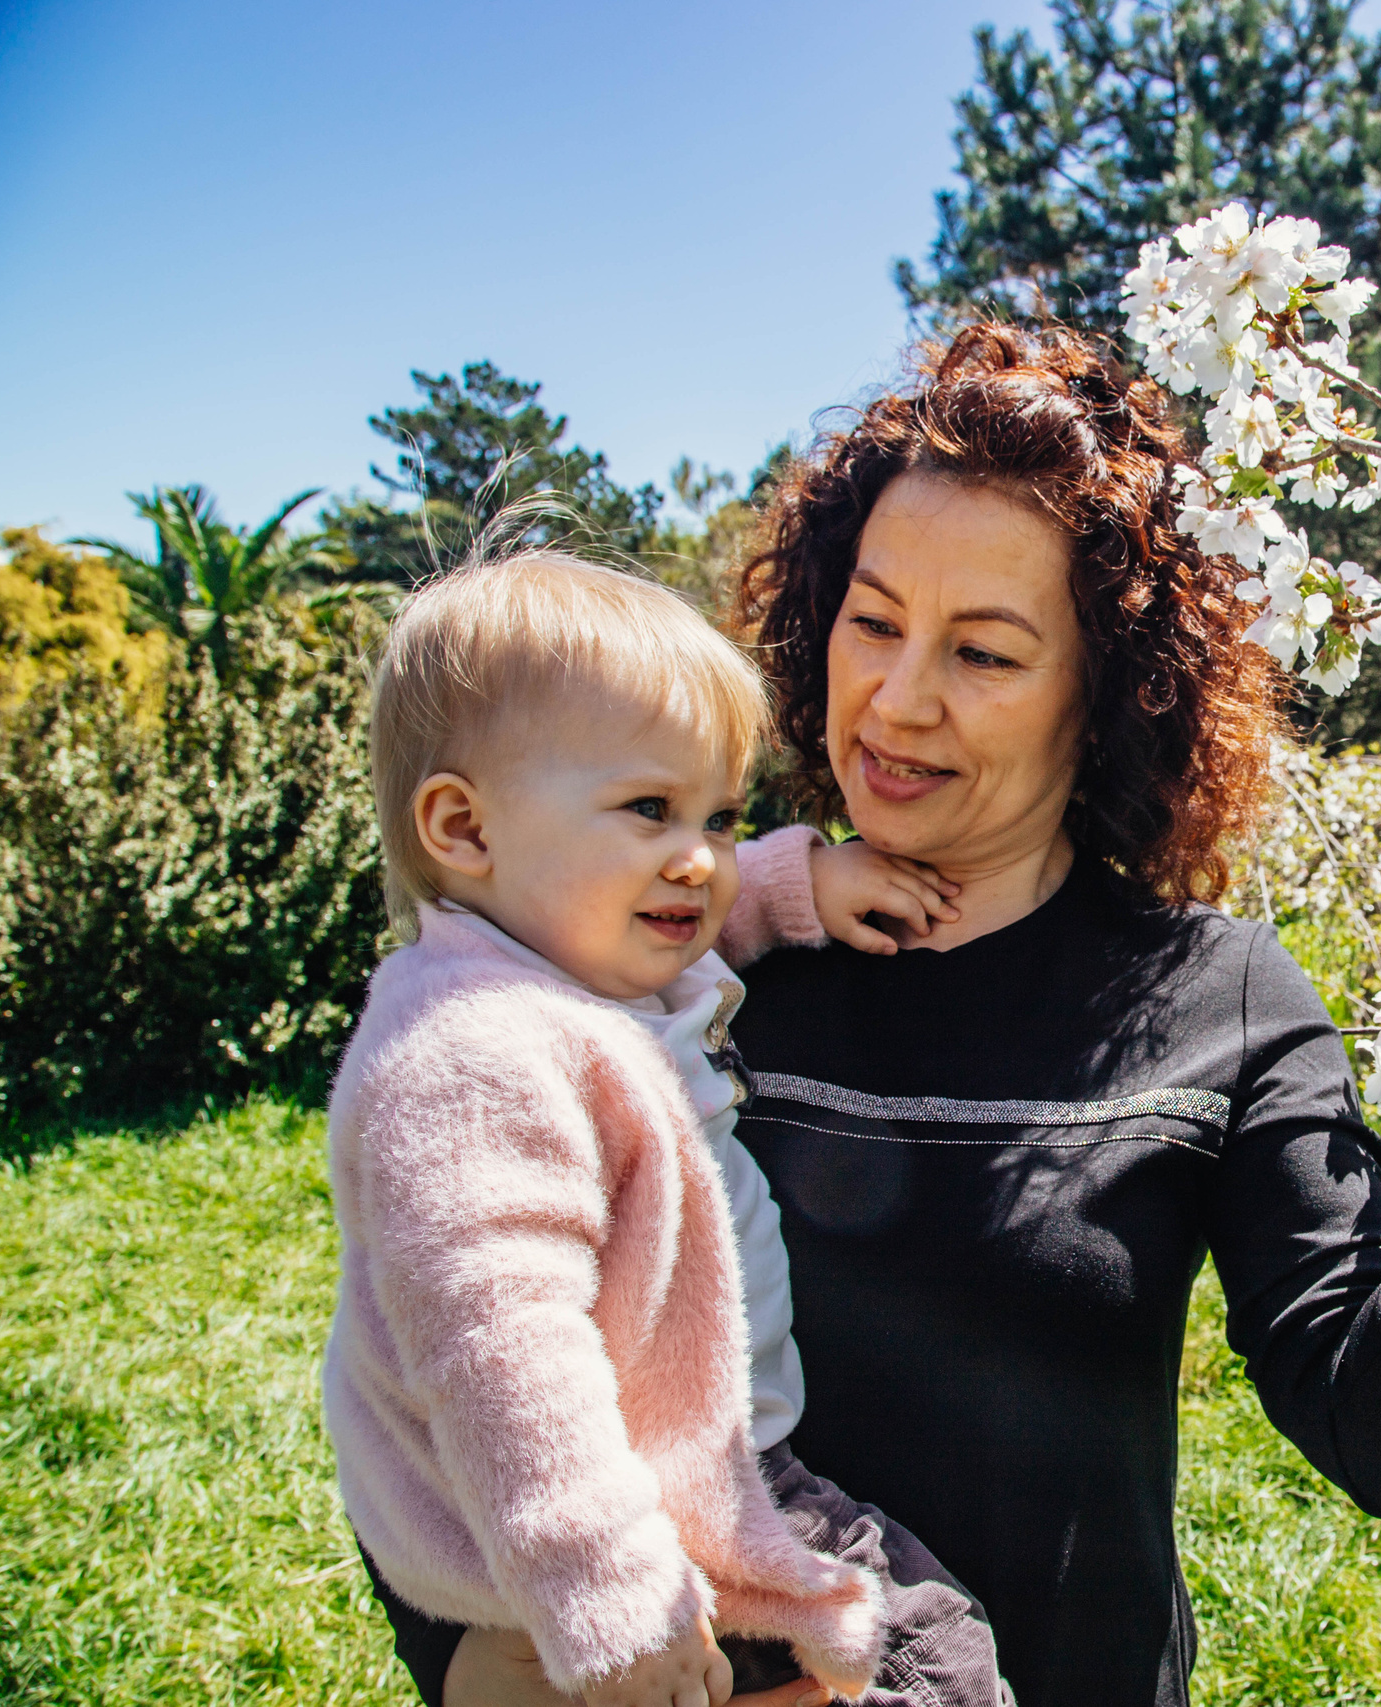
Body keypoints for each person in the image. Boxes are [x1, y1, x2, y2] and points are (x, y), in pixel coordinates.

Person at [371, 325, 1381, 1707]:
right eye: (872, 621)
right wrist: (485, 1663)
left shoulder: (1216, 1000)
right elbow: (450, 1352)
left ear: (1108, 693)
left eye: (985, 652)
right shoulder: (675, 956)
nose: (894, 701)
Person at [329, 550, 1010, 1707]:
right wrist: (612, 1594)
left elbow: (696, 909)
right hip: (635, 1526)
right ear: (463, 828)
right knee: (934, 1664)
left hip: (657, 1486)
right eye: (649, 807)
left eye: (722, 815)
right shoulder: (473, 1055)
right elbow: (502, 1354)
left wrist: (801, 880)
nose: (698, 857)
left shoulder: (563, 958)